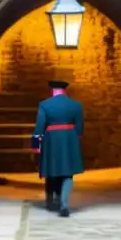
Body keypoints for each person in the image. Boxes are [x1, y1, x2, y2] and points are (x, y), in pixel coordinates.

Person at [30, 79, 84, 217]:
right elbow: (80, 128)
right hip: (69, 138)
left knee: (51, 169)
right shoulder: (76, 105)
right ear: (65, 90)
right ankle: (64, 205)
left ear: (52, 90)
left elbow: (39, 127)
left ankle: (50, 201)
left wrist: (36, 146)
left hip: (51, 139)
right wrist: (73, 139)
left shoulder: (44, 105)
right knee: (67, 173)